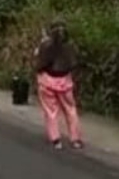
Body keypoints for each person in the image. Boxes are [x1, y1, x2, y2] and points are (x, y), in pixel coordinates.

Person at [35, 20, 83, 150]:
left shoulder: (45, 46)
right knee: (71, 110)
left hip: (47, 81)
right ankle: (75, 139)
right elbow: (74, 64)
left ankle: (55, 139)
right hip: (65, 81)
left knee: (51, 111)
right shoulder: (70, 47)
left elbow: (40, 64)